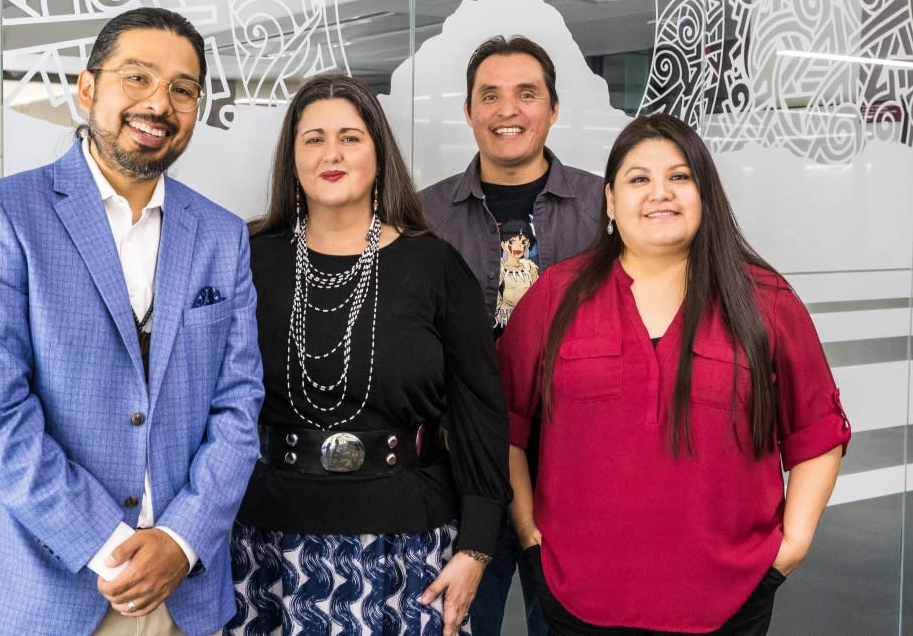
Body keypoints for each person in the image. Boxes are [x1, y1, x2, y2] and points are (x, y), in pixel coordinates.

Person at [0, 7, 263, 636]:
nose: (159, 103)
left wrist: (181, 539)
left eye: (182, 88)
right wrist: (109, 544)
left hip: (183, 592)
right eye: (136, 78)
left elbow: (239, 406)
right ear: (88, 88)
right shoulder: (5, 216)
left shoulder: (221, 235)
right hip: (43, 589)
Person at [499, 113, 852, 635]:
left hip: (728, 604)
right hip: (577, 600)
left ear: (705, 194)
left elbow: (816, 431)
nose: (660, 193)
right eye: (639, 178)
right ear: (611, 203)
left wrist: (790, 547)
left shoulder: (765, 300)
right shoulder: (555, 296)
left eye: (680, 177)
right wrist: (529, 534)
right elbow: (503, 424)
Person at [225, 73, 511, 636]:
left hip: (410, 546)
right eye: (313, 139)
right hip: (266, 544)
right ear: (292, 158)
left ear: (379, 154)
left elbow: (480, 412)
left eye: (351, 137)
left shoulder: (435, 266)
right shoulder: (245, 259)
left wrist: (476, 547)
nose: (332, 153)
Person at [421, 34, 605, 636]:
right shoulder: (425, 216)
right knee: (462, 624)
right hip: (463, 468)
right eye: (490, 96)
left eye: (527, 94)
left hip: (578, 467)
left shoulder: (603, 207)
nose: (508, 111)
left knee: (577, 623)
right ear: (469, 111)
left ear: (554, 108)